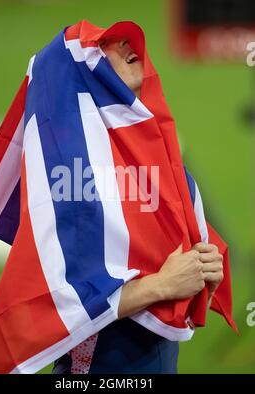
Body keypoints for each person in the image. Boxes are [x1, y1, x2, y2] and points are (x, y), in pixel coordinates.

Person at [51, 35, 224, 374]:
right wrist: (161, 285)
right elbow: (59, 300)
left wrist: (203, 274)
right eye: (106, 46)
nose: (130, 46)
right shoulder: (69, 171)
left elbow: (180, 284)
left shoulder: (165, 165)